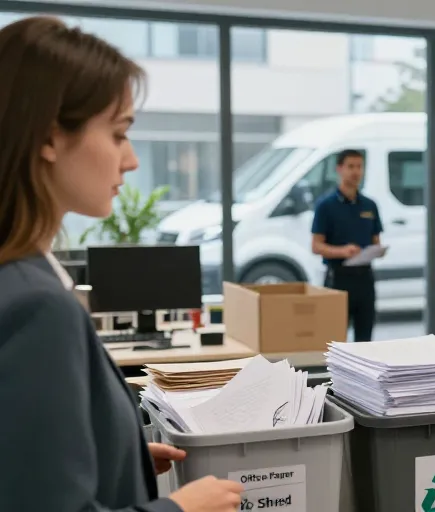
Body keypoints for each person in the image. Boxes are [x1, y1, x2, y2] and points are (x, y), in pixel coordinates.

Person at [0, 16, 243, 512]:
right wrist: (181, 508)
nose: (130, 160)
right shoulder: (37, 308)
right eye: (118, 133)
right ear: (49, 137)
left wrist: (120, 455)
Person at [312, 149, 384, 342]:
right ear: (339, 169)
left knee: (365, 340)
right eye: (351, 166)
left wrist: (377, 251)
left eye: (359, 167)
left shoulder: (369, 205)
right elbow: (316, 246)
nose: (356, 172)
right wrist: (342, 251)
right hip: (338, 278)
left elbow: (376, 240)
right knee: (335, 340)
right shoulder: (326, 206)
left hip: (365, 278)